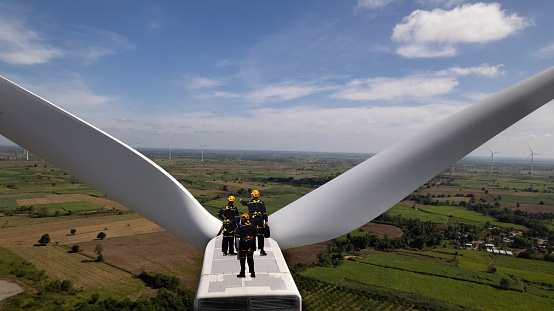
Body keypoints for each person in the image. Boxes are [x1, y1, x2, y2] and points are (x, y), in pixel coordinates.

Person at [240, 190, 268, 256]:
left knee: (252, 235)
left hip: (252, 221)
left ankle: (252, 249)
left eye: (252, 195)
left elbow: (244, 203)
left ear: (254, 195)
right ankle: (261, 250)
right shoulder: (261, 202)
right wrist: (266, 220)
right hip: (260, 220)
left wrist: (241, 201)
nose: (251, 196)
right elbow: (264, 212)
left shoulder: (250, 202)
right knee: (260, 235)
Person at [235, 213, 255, 278]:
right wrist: (254, 246)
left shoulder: (240, 226)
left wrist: (237, 246)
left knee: (242, 259)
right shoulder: (251, 226)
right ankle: (252, 273)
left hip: (243, 244)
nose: (241, 219)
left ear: (245, 219)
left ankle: (242, 273)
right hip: (250, 243)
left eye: (242, 218)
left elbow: (237, 237)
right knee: (250, 259)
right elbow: (253, 237)